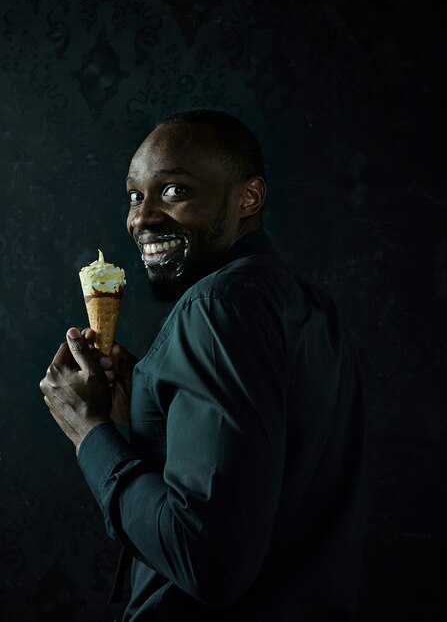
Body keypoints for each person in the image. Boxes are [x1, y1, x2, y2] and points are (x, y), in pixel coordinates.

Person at [40, 109, 365, 621]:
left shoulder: (214, 307)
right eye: (134, 195)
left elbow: (208, 561)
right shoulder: (311, 306)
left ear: (248, 199)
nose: (140, 218)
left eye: (174, 191)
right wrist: (150, 403)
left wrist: (90, 433)